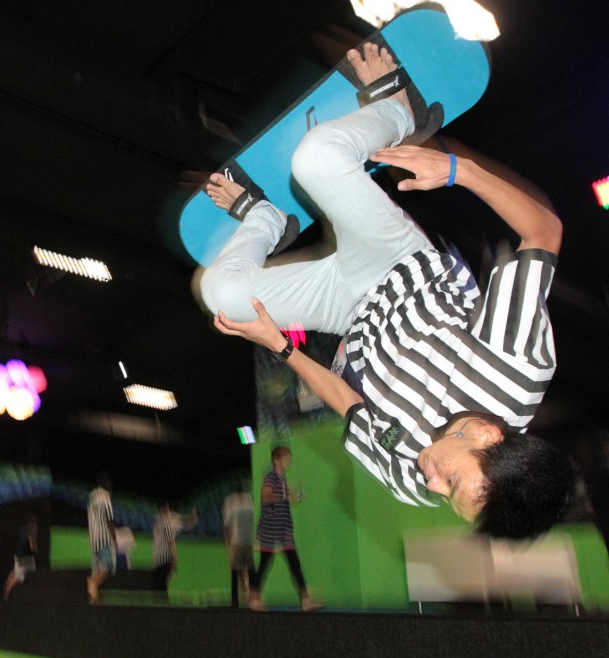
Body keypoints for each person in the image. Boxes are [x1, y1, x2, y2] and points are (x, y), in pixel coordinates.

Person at [200, 43, 576, 540]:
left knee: (220, 295)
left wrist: (280, 346)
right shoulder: (519, 367)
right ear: (488, 435)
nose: (433, 486)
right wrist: (460, 172)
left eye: (446, 499)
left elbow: (349, 405)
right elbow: (543, 233)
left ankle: (266, 219)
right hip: (397, 264)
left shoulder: (412, 482)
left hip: (345, 312)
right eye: (453, 481)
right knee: (316, 158)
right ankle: (400, 109)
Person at [253, 447, 322, 612]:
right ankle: (254, 599)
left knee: (294, 562)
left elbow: (282, 498)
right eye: (286, 457)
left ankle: (305, 601)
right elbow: (265, 495)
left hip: (284, 527)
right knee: (265, 563)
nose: (289, 460)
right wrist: (286, 497)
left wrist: (292, 497)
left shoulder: (282, 478)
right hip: (271, 527)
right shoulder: (271, 477)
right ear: (277, 460)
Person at [222, 482, 259, 609]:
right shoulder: (249, 502)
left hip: (237, 541)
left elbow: (227, 526)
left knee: (235, 571)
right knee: (251, 570)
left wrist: (227, 545)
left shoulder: (231, 503)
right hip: (248, 541)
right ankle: (254, 599)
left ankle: (235, 601)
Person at [152, 501, 198, 593]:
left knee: (161, 585)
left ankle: (162, 603)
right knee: (163, 585)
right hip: (165, 557)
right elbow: (170, 541)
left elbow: (184, 524)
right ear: (165, 508)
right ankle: (164, 604)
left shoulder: (159, 520)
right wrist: (175, 558)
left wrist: (192, 517)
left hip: (157, 558)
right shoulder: (166, 521)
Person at [86, 472, 116, 604]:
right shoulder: (105, 496)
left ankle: (94, 599)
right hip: (103, 538)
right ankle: (93, 583)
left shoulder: (92, 497)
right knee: (108, 566)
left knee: (97, 568)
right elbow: (109, 519)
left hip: (94, 539)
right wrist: (113, 538)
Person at [3, 514, 37, 600]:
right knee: (20, 578)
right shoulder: (30, 533)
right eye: (35, 525)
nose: (36, 527)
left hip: (20, 556)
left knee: (17, 573)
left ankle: (8, 583)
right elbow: (32, 548)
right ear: (31, 524)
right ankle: (6, 595)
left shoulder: (23, 530)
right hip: (23, 558)